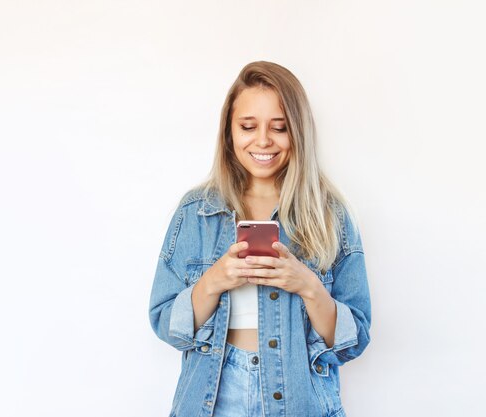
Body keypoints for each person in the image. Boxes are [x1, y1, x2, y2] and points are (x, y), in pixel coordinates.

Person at [149, 61, 371, 417]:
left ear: (298, 132)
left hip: (300, 401)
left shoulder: (330, 214)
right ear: (229, 133)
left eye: (279, 127)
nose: (263, 140)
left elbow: (353, 340)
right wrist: (213, 282)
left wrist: (308, 286)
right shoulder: (195, 212)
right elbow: (165, 324)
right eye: (248, 126)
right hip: (212, 400)